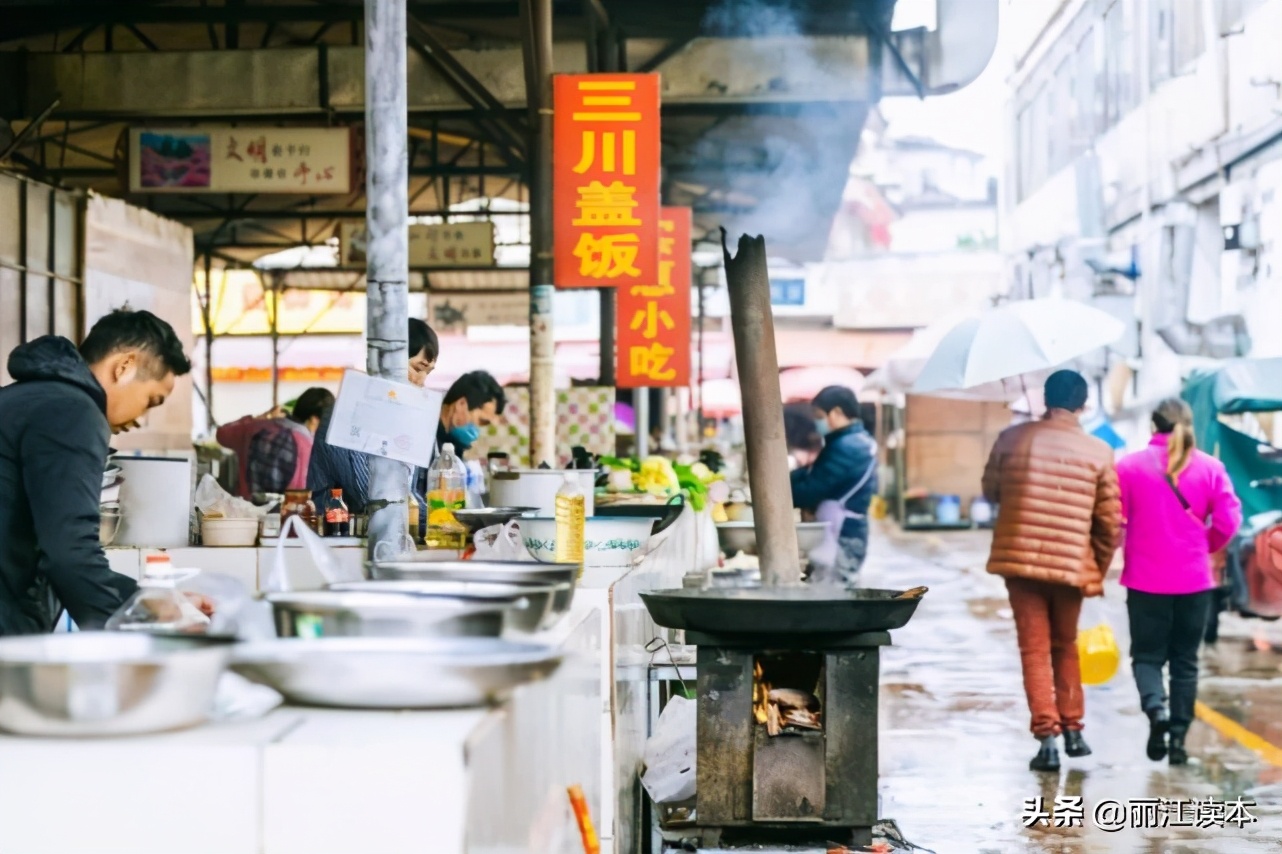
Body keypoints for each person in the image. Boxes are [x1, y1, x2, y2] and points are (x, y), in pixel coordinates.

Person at [0, 310, 201, 634]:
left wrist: (144, 602)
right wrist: (139, 629)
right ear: (124, 366)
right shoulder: (73, 411)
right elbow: (68, 553)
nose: (142, 418)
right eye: (151, 400)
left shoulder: (29, 399)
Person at [981, 369, 1121, 772]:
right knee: (1066, 645)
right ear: (1083, 405)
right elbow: (1109, 521)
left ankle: (1047, 742)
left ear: (1046, 400)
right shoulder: (1098, 451)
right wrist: (1095, 565)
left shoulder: (1011, 439)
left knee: (1034, 650)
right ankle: (1074, 730)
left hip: (1021, 562)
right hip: (1071, 566)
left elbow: (991, 491)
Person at [1117, 397, 1241, 765]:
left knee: (1147, 657)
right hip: (1193, 581)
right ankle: (1179, 743)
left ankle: (1156, 711)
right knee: (1185, 661)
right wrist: (1207, 545)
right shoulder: (1211, 468)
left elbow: (1113, 519)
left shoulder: (1128, 467)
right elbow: (1228, 521)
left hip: (1144, 580)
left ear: (1153, 426)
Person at [308, 318, 437, 513]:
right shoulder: (345, 416)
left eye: (428, 372)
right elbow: (374, 499)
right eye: (418, 369)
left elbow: (419, 492)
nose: (422, 381)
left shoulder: (407, 421)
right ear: (388, 363)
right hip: (337, 537)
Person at [790, 386, 878, 583]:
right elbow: (817, 474)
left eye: (819, 415)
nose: (817, 422)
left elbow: (812, 488)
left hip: (842, 535)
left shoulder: (849, 446)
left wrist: (779, 488)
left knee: (833, 596)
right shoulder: (854, 440)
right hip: (846, 531)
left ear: (837, 413)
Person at [216, 387, 335, 498]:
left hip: (246, 512)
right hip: (284, 515)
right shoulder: (308, 445)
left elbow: (222, 434)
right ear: (314, 420)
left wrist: (262, 417)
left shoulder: (256, 428)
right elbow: (302, 493)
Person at [435, 370, 506, 459]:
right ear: (461, 404)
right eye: (481, 421)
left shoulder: (453, 448)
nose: (477, 431)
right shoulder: (425, 436)